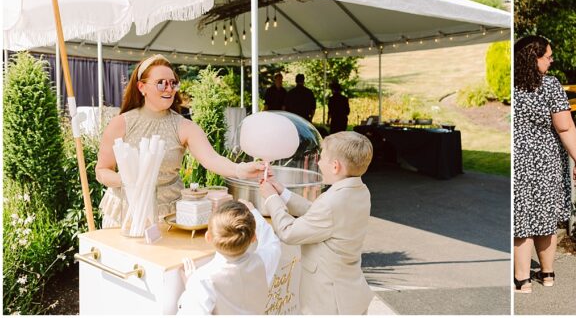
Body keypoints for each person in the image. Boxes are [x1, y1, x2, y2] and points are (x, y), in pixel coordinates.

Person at [95, 54, 264, 224]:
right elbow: (102, 171)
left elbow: (211, 159)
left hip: (166, 215)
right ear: (142, 87)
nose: (169, 88)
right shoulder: (121, 123)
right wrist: (131, 182)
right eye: (161, 83)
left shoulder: (184, 126)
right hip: (124, 214)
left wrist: (240, 170)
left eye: (173, 83)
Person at [259, 131, 376, 314]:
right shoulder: (360, 191)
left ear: (335, 166)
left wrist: (272, 198)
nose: (318, 163)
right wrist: (282, 192)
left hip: (329, 300)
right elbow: (317, 214)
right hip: (349, 292)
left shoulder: (331, 202)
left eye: (321, 158)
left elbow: (288, 232)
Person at [512, 36, 576, 294]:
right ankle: (547, 274)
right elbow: (564, 126)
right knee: (545, 217)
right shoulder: (550, 85)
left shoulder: (511, 87)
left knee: (521, 221)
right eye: (548, 56)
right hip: (545, 161)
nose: (552, 61)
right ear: (534, 58)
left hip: (517, 161)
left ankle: (522, 281)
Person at [177, 200, 280, 314]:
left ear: (208, 237)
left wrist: (192, 288)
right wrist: (253, 211)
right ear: (253, 238)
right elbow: (272, 241)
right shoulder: (263, 261)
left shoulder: (203, 280)